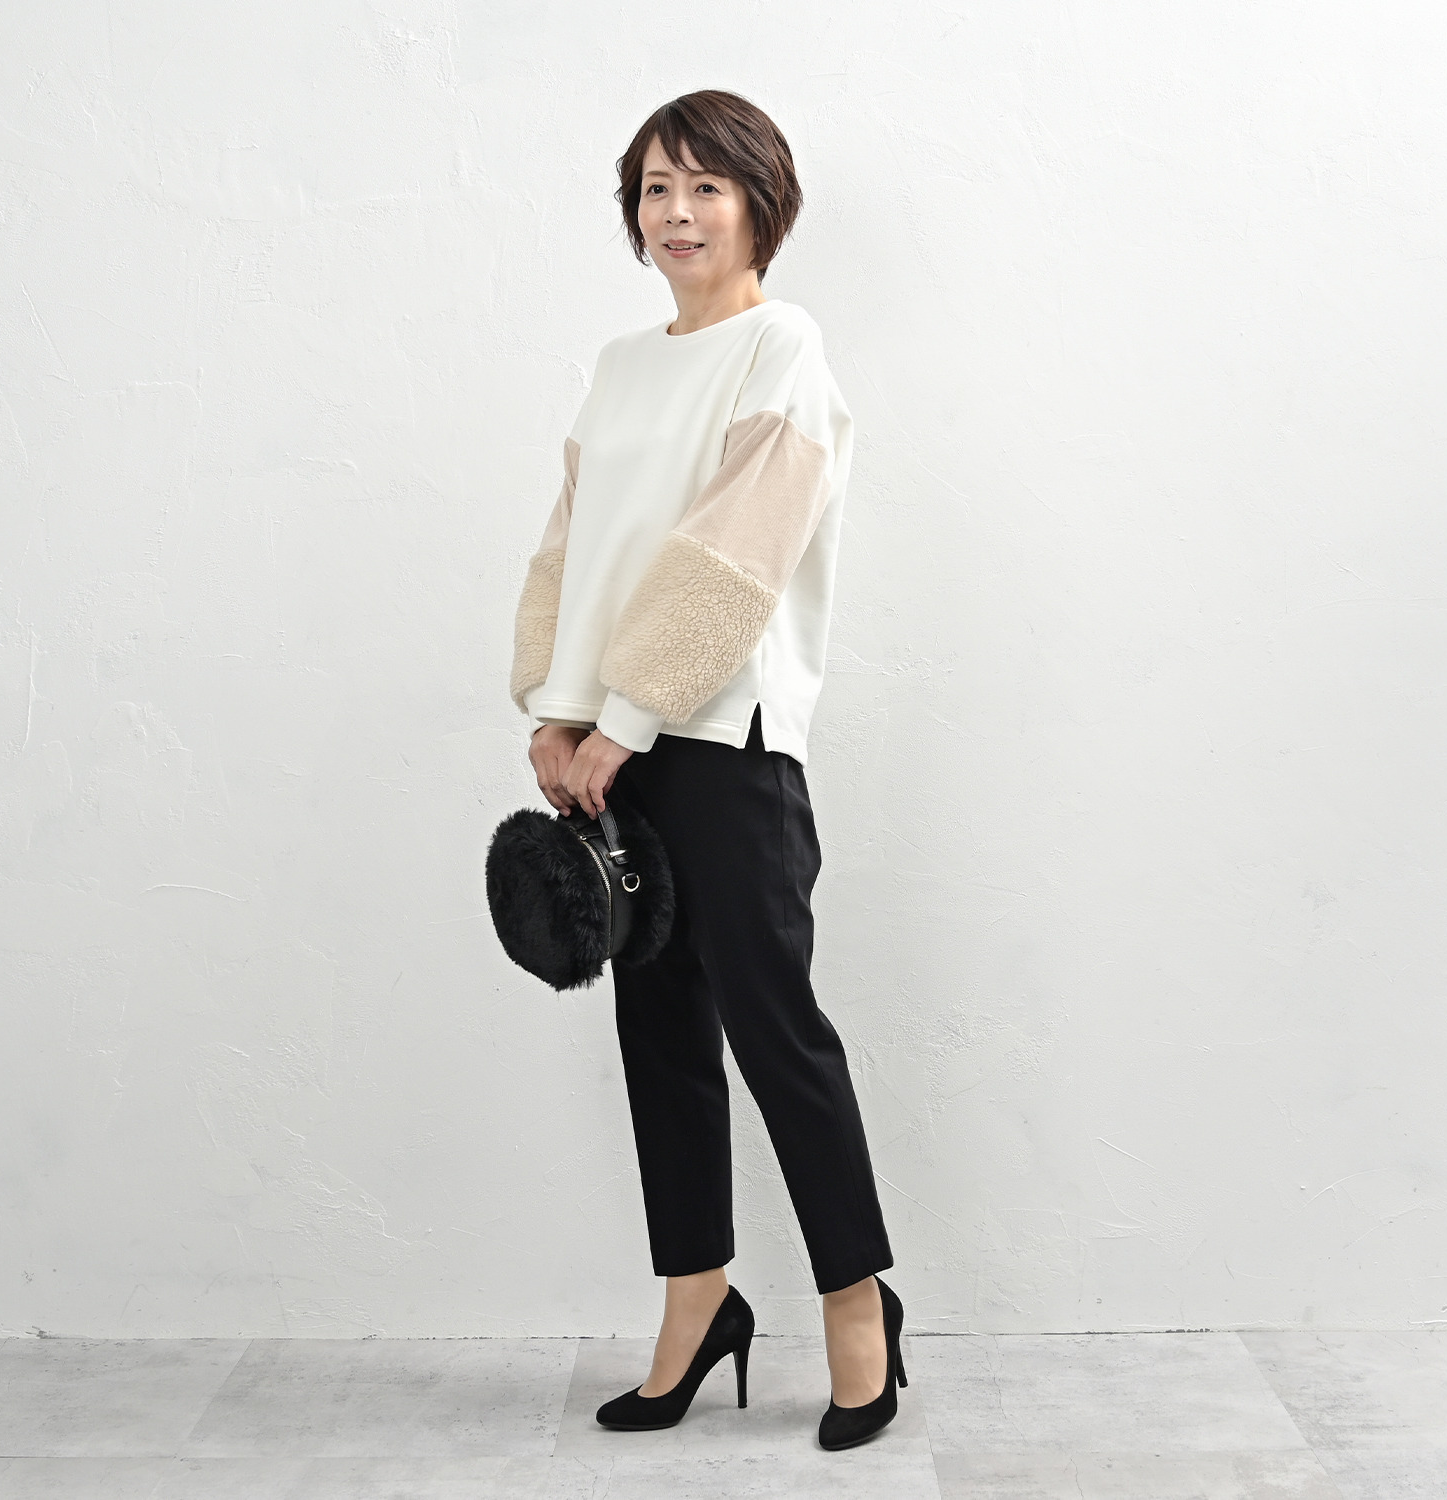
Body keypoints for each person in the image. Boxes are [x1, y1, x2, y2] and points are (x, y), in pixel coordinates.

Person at [508, 89, 905, 1451]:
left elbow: (736, 555)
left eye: (705, 188)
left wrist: (625, 717)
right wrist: (556, 712)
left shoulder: (781, 347)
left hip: (723, 745)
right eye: (655, 189)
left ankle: (858, 1308)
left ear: (759, 205)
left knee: (774, 1032)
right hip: (611, 748)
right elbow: (572, 547)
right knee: (660, 1040)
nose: (676, 214)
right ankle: (697, 1299)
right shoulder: (621, 366)